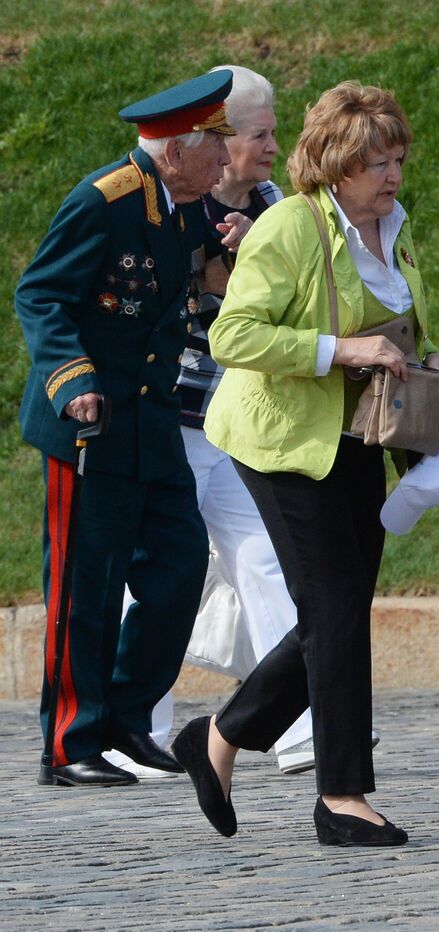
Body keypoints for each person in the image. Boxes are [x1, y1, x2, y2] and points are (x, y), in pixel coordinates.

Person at [170, 81, 439, 846]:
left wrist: (428, 357)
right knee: (334, 607)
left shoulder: (391, 227)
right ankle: (341, 796)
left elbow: (390, 329)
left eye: (398, 158)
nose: (393, 175)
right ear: (335, 164)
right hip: (280, 442)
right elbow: (234, 335)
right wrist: (343, 350)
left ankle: (220, 735)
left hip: (358, 437)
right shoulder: (290, 228)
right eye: (376, 162)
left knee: (336, 609)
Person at [15, 71, 248, 787]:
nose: (227, 158)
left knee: (178, 573)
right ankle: (69, 742)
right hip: (89, 427)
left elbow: (199, 274)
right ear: (177, 150)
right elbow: (41, 293)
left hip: (149, 422)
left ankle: (122, 718)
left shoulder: (186, 206)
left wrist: (236, 242)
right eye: (218, 144)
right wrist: (72, 378)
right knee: (86, 588)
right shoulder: (104, 201)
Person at [107, 64, 324, 779]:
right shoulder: (164, 206)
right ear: (216, 142)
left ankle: (290, 727)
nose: (270, 147)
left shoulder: (273, 205)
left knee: (264, 557)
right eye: (258, 134)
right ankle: (131, 733)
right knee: (158, 571)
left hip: (236, 419)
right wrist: (211, 263)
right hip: (168, 418)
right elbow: (138, 302)